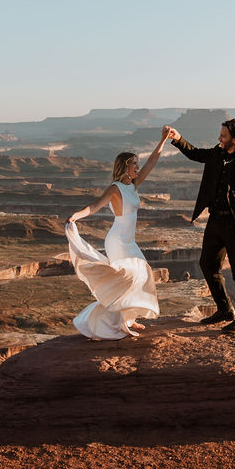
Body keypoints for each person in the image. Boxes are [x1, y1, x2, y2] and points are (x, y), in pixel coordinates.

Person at [65, 128, 173, 339]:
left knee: (141, 274)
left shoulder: (133, 184)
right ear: (125, 167)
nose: (138, 167)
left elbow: (152, 162)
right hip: (117, 241)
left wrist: (163, 140)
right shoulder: (115, 188)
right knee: (126, 279)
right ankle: (108, 323)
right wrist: (76, 216)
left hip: (129, 240)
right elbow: (95, 205)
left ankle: (128, 318)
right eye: (134, 164)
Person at [163, 118, 235, 335]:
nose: (219, 139)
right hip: (215, 220)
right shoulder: (217, 154)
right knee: (207, 264)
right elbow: (195, 153)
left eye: (223, 136)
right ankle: (224, 309)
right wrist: (178, 138)